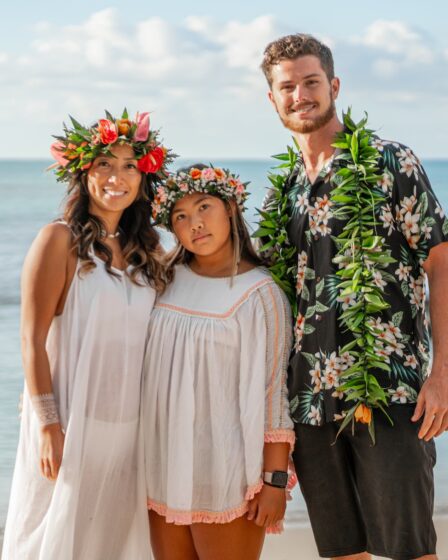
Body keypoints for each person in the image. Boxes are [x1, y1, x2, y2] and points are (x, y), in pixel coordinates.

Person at [260, 33, 448, 560]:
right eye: (287, 87)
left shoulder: (392, 163)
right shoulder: (286, 190)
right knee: (341, 552)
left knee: (409, 549)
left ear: (334, 85)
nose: (300, 95)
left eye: (311, 82)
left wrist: (443, 373)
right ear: (272, 98)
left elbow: (441, 261)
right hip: (311, 402)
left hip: (391, 391)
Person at [2, 110, 174, 559]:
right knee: (54, 539)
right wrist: (47, 425)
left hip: (129, 430)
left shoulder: (150, 249)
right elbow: (30, 339)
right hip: (71, 424)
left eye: (129, 166)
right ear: (83, 172)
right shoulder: (57, 240)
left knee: (113, 542)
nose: (116, 177)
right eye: (104, 164)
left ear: (144, 177)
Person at [142, 164, 295, 560]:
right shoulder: (162, 279)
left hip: (224, 468)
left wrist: (275, 482)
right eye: (180, 216)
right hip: (161, 462)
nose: (195, 224)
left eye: (204, 207)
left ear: (230, 208)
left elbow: (274, 390)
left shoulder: (261, 293)